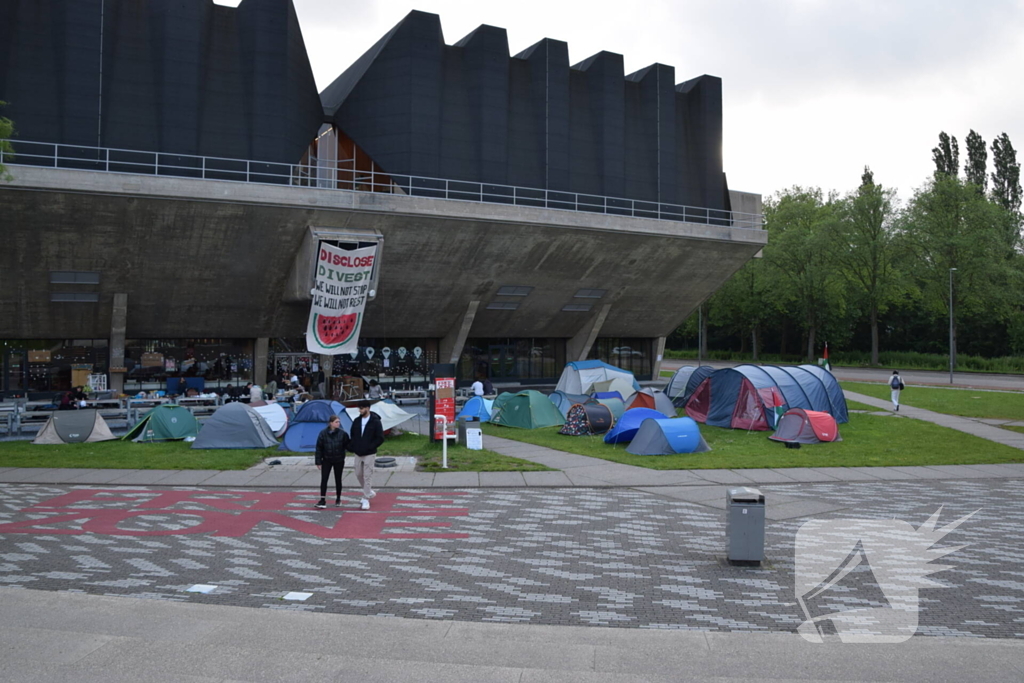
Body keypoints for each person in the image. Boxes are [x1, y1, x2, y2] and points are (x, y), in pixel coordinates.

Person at [349, 400, 385, 510]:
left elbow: (380, 438)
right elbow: (353, 435)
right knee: (358, 474)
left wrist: (371, 447)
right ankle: (369, 492)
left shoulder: (375, 421)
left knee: (367, 475)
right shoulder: (356, 421)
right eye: (359, 408)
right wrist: (354, 447)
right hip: (358, 452)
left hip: (369, 453)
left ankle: (366, 498)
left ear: (368, 408)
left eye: (362, 408)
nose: (360, 410)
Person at [314, 414, 349, 509]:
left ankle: (338, 498)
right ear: (331, 423)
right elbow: (319, 447)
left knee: (338, 479)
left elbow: (348, 445)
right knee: (324, 479)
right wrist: (318, 461)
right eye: (336, 422)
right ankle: (322, 499)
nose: (338, 424)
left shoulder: (343, 433)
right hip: (326, 459)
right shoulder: (323, 433)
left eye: (339, 422)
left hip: (339, 459)